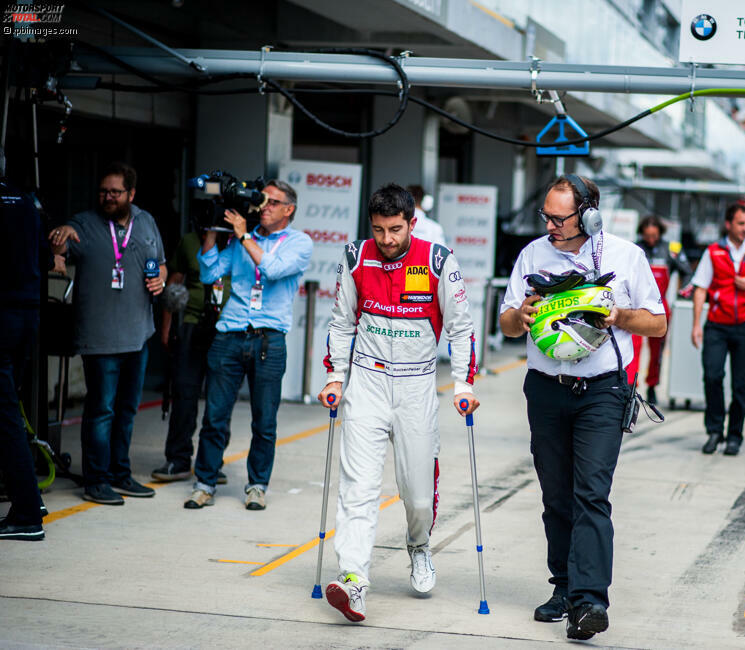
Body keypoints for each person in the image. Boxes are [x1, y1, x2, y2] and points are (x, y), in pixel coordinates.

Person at [499, 174, 666, 641]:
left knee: (590, 493)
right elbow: (508, 323)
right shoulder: (533, 254)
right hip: (546, 389)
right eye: (545, 216)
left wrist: (619, 315)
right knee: (555, 494)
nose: (550, 225)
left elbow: (656, 323)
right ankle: (564, 586)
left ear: (589, 213)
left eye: (559, 217)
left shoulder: (627, 256)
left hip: (603, 392)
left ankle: (590, 601)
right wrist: (523, 314)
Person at [317, 183, 478, 623]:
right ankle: (353, 580)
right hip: (367, 383)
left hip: (417, 386)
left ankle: (419, 546)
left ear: (412, 222)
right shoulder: (355, 257)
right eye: (379, 230)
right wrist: (336, 378)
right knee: (358, 488)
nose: (387, 240)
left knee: (417, 495)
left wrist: (462, 385)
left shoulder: (438, 260)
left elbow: (462, 329)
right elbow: (341, 323)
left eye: (395, 229)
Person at [184, 180, 312, 511]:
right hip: (229, 334)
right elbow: (210, 271)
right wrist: (211, 230)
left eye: (271, 202)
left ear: (289, 209)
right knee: (214, 415)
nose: (263, 206)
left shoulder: (299, 243)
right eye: (261, 201)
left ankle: (257, 485)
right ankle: (204, 482)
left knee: (264, 419)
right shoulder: (243, 239)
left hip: (269, 340)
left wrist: (242, 235)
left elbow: (271, 269)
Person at [49, 162, 166, 505]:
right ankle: (96, 480)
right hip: (99, 338)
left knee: (127, 410)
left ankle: (119, 473)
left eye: (115, 192)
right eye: (103, 191)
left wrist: (160, 275)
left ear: (131, 193)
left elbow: (159, 262)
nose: (108, 197)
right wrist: (58, 246)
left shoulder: (146, 222)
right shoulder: (83, 224)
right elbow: (58, 245)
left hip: (138, 335)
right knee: (101, 410)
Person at [0, 149, 61, 540]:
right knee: (6, 410)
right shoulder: (25, 203)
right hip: (25, 317)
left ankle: (26, 511)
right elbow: (48, 258)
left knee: (4, 416)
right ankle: (29, 499)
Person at [690, 203, 745, 456]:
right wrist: (696, 324)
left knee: (741, 384)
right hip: (717, 324)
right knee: (713, 376)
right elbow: (700, 287)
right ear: (729, 224)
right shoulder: (714, 251)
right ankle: (715, 430)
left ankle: (735, 435)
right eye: (741, 223)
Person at [151, 230, 230, 482]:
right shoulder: (191, 239)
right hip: (192, 324)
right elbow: (173, 283)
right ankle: (178, 459)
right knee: (184, 394)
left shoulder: (245, 239)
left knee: (220, 401)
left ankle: (212, 463)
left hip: (229, 328)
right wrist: (166, 328)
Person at [626, 214, 691, 404]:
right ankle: (631, 387)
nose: (651, 239)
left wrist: (682, 294)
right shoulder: (633, 249)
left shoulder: (671, 250)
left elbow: (687, 272)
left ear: (660, 233)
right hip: (634, 308)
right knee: (632, 348)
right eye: (647, 236)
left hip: (659, 308)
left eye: (654, 235)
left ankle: (652, 386)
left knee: (657, 352)